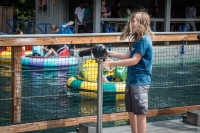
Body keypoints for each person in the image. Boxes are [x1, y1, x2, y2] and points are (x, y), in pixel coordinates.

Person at [102, 11, 154, 133]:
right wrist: (110, 53)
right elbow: (127, 55)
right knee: (130, 110)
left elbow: (135, 60)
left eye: (133, 21)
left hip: (140, 81)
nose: (131, 24)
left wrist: (112, 64)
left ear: (142, 23)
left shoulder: (144, 40)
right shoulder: (136, 39)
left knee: (140, 112)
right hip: (131, 80)